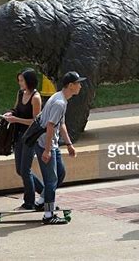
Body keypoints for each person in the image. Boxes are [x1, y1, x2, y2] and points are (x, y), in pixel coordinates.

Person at [35, 71, 83, 224]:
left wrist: (69, 144)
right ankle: (48, 215)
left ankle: (42, 200)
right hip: (45, 144)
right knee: (51, 181)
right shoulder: (59, 103)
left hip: (52, 144)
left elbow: (61, 123)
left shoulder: (61, 98)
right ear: (70, 85)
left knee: (60, 174)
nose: (80, 86)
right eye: (78, 83)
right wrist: (47, 150)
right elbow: (50, 126)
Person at [4, 69, 43, 209]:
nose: (20, 83)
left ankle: (29, 202)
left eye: (22, 80)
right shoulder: (20, 93)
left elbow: (35, 121)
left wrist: (16, 119)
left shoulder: (35, 97)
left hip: (30, 137)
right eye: (19, 80)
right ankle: (44, 192)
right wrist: (10, 113)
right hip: (18, 135)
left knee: (25, 169)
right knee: (20, 170)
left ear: (29, 81)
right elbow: (16, 109)